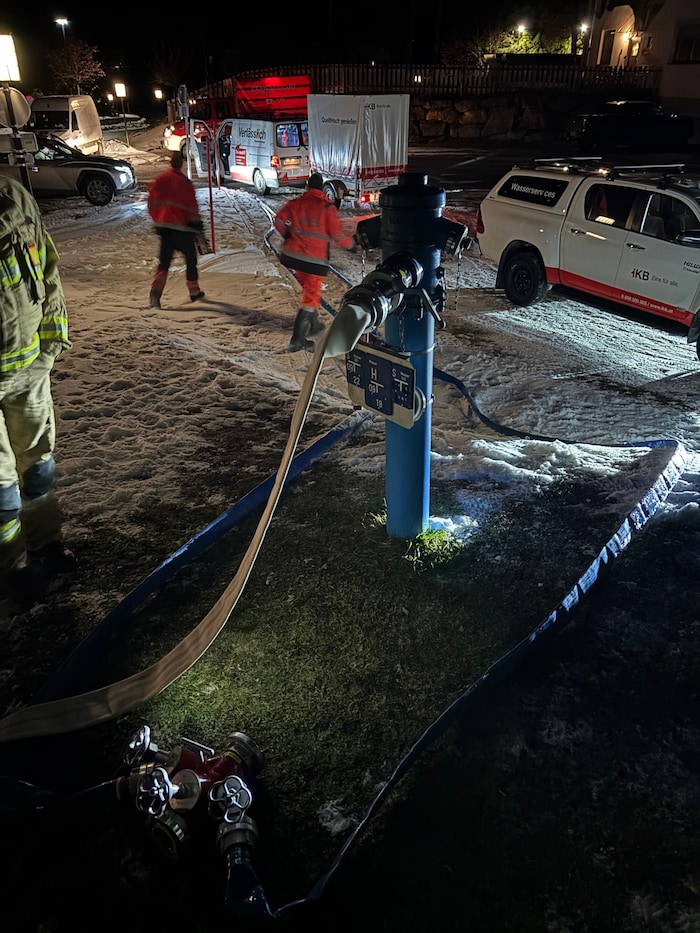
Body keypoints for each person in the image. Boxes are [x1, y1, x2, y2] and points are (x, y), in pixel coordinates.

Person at [0, 174, 74, 594]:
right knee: (1, 487)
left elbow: (47, 268)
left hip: (28, 370)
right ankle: (11, 569)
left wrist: (50, 343)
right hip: (24, 368)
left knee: (39, 467)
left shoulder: (12, 196)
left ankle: (47, 546)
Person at [273, 173, 357, 351]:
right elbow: (338, 235)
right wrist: (352, 246)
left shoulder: (295, 203)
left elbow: (279, 221)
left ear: (307, 186)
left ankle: (314, 324)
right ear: (322, 188)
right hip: (314, 260)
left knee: (310, 292)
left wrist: (287, 235)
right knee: (311, 297)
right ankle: (298, 340)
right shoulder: (327, 208)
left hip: (291, 256)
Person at [147, 150, 205, 309]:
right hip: (182, 229)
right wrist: (197, 224)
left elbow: (151, 202)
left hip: (165, 229)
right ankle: (194, 292)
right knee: (190, 260)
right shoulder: (184, 183)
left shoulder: (160, 180)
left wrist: (158, 219)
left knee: (163, 264)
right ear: (181, 163)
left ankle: (155, 295)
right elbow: (191, 206)